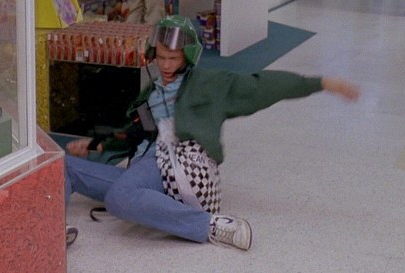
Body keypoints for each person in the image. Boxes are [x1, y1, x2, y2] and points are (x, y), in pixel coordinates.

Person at [64, 15, 360, 251]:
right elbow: (134, 133)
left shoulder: (209, 84)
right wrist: (96, 145)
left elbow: (262, 86)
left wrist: (321, 84)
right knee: (64, 167)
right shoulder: (152, 91)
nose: (165, 65)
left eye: (173, 58)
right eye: (161, 57)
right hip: (145, 167)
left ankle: (210, 226)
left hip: (173, 161)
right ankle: (54, 231)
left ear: (188, 57)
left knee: (120, 197)